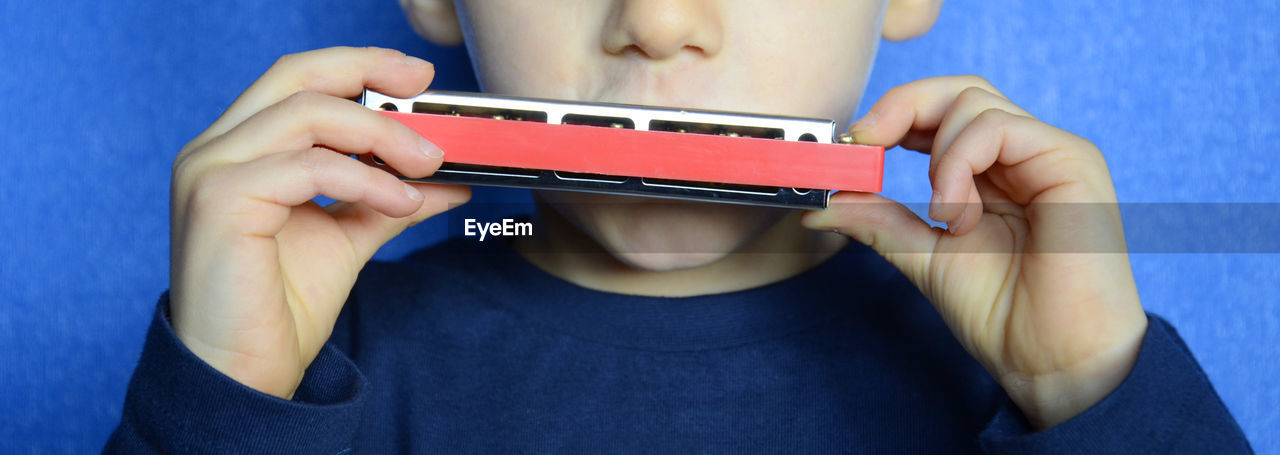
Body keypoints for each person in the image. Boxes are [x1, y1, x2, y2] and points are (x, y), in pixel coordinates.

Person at [105, 0, 1252, 452]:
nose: (655, 22)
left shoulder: (1023, 376)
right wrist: (222, 399)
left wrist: (1094, 387)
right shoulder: (308, 374)